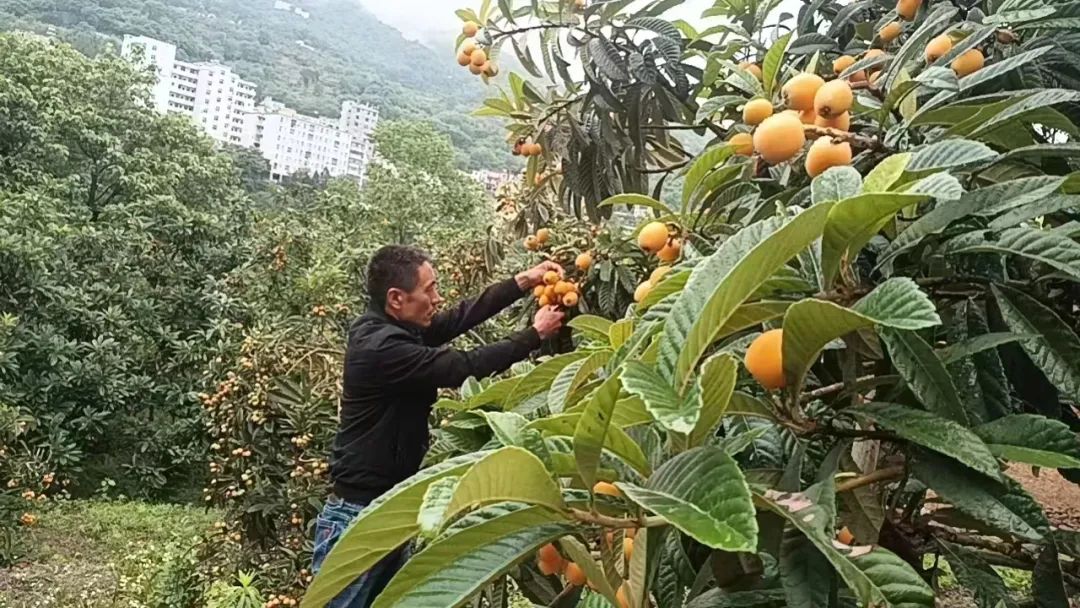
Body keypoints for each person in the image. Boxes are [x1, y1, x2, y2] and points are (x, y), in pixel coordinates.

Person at [310, 244, 565, 607]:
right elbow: (461, 366)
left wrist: (523, 281)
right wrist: (533, 335)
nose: (437, 297)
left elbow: (457, 318)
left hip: (388, 508)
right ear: (397, 298)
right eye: (428, 290)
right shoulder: (382, 348)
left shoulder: (393, 328)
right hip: (359, 516)